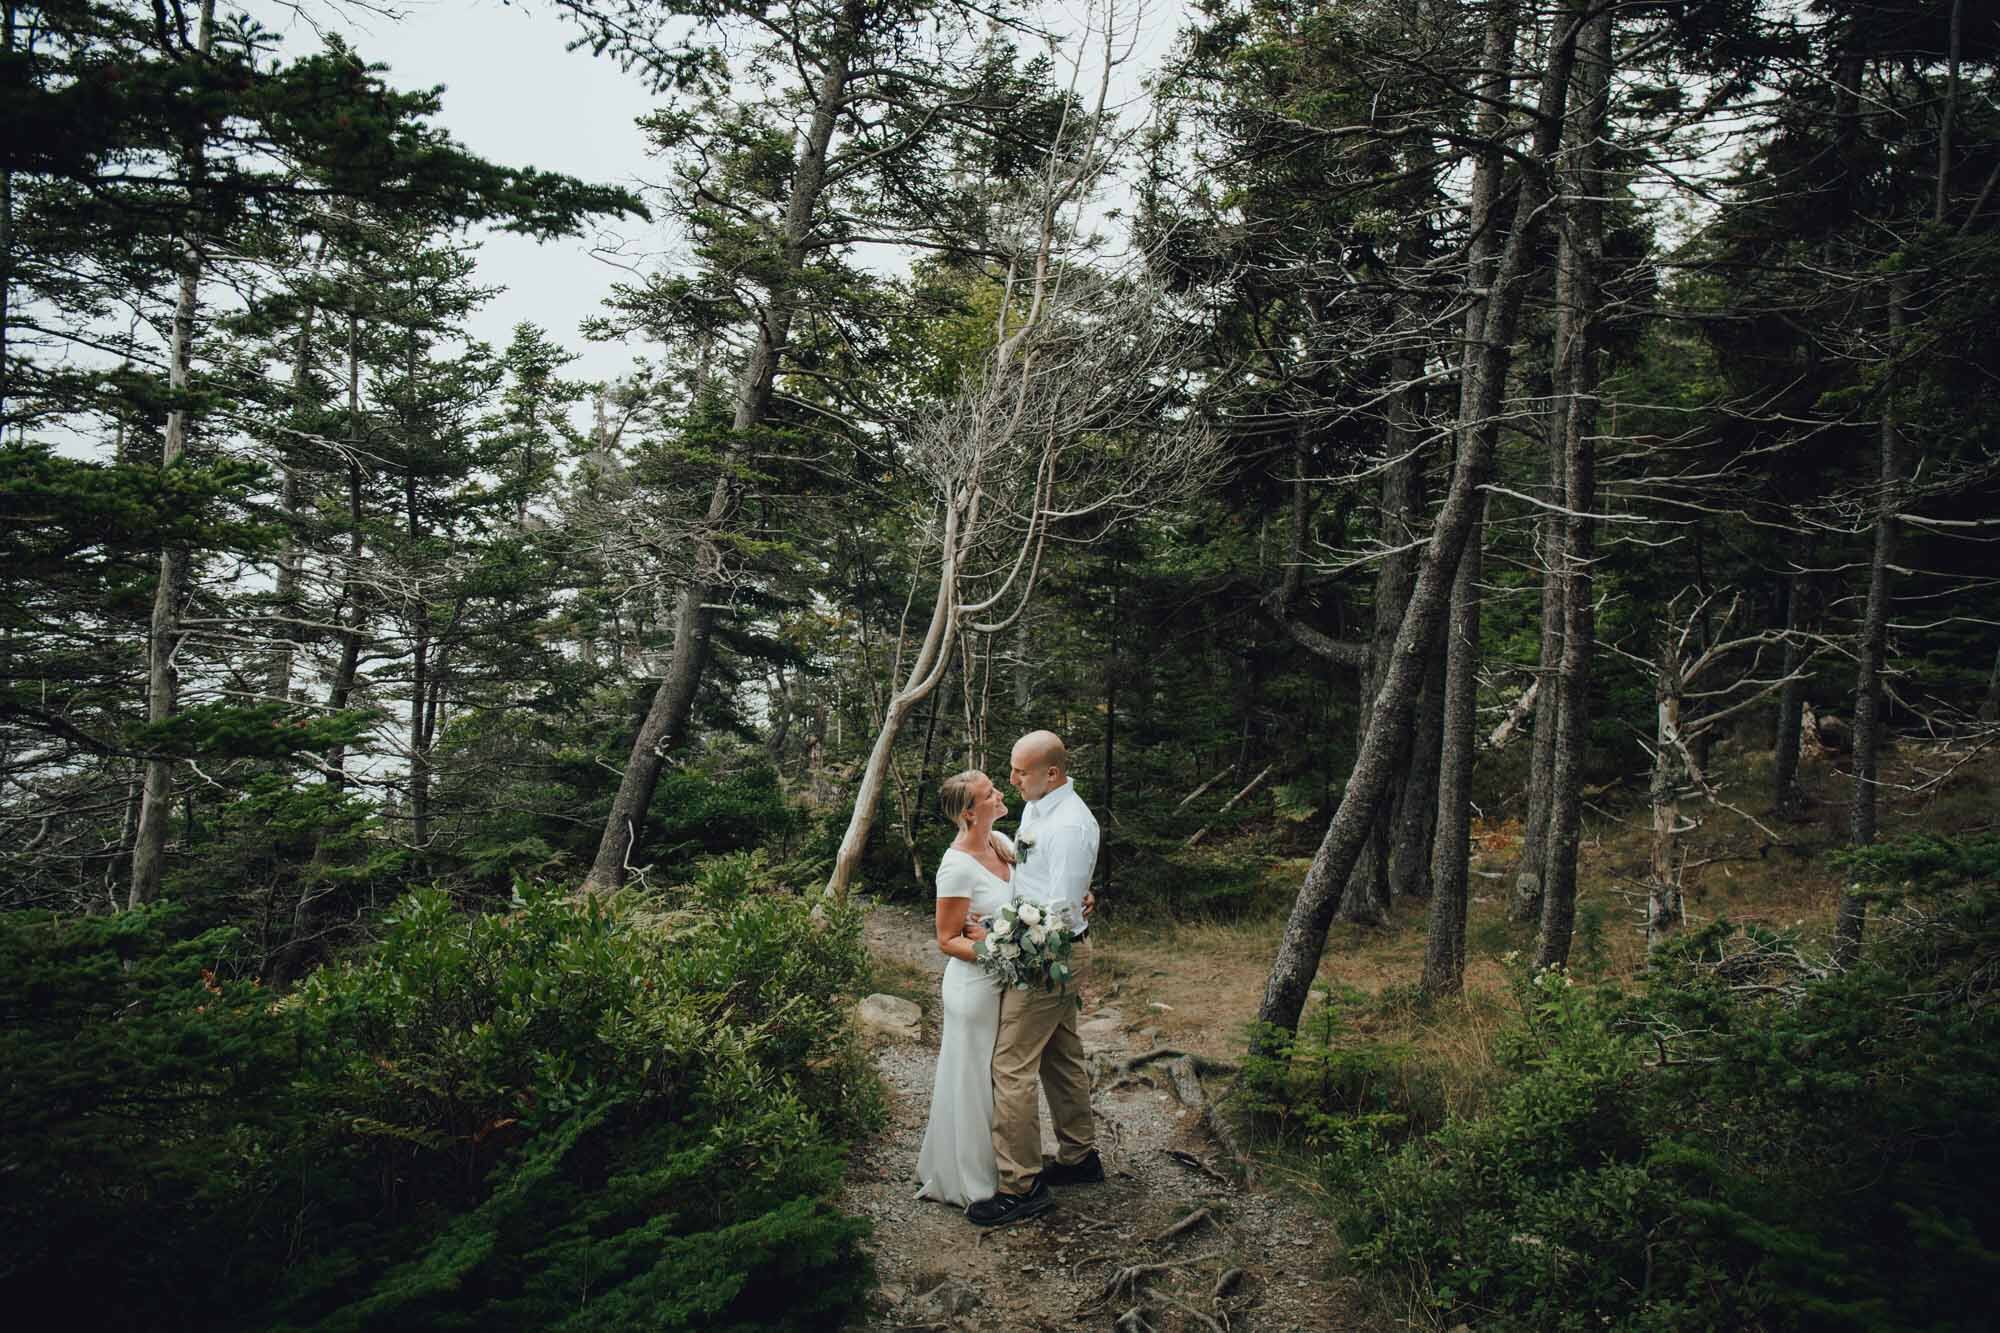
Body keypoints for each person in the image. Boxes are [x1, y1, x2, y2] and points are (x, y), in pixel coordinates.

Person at [966, 729, 1103, 1228]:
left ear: (1052, 773)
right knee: (1060, 1055)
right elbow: (1039, 880)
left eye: (1019, 772)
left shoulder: (1069, 824)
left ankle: (1019, 1185)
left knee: (1010, 1065)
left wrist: (1005, 941)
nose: (1012, 779)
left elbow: (1060, 913)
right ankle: (1080, 1157)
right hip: (1050, 949)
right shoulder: (1036, 808)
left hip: (1049, 956)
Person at [913, 769, 1013, 1207]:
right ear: (970, 814)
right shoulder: (955, 867)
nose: (1000, 793)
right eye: (990, 793)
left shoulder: (1002, 842)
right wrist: (1002, 952)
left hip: (1004, 983)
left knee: (998, 1080)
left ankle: (1003, 1163)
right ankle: (974, 1182)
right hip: (974, 988)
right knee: (973, 1082)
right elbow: (947, 939)